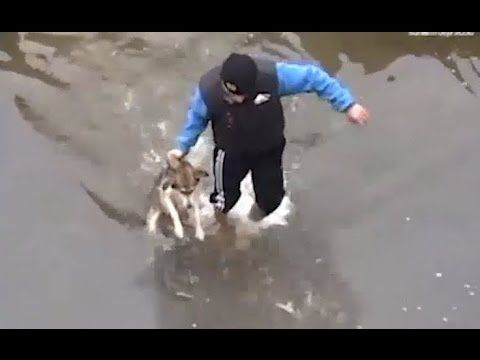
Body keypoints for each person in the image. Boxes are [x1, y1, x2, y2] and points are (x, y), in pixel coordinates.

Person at [168, 53, 370, 225]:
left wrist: (348, 105)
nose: (235, 100)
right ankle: (224, 232)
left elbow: (313, 77)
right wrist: (182, 147)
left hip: (268, 148)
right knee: (223, 202)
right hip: (230, 153)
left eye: (241, 96)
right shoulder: (208, 91)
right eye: (229, 93)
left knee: (271, 203)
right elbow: (195, 120)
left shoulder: (272, 77)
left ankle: (250, 223)